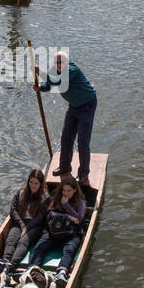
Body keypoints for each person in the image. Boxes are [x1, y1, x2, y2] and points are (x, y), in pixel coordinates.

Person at [35, 53, 98, 189]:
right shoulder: (58, 72)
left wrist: (40, 72)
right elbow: (51, 84)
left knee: (82, 142)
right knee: (66, 137)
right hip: (74, 106)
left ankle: (83, 174)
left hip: (87, 106)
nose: (58, 65)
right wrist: (41, 87)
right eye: (56, 63)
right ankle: (64, 167)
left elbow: (57, 81)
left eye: (61, 62)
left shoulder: (71, 70)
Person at [27, 175, 88, 284]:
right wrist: (68, 216)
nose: (65, 193)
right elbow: (51, 213)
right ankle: (31, 269)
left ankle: (61, 272)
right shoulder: (57, 199)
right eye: (64, 190)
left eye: (69, 191)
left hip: (71, 234)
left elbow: (79, 219)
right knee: (40, 246)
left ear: (74, 190)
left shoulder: (80, 203)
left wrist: (66, 206)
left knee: (69, 249)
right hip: (54, 232)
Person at [0, 169, 48, 274]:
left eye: (36, 183)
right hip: (20, 222)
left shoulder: (44, 197)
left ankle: (11, 265)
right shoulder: (21, 192)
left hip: (35, 226)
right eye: (31, 182)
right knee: (11, 239)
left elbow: (41, 218)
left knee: (23, 241)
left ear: (41, 184)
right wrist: (22, 225)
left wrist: (27, 227)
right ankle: (5, 260)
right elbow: (13, 210)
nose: (33, 185)